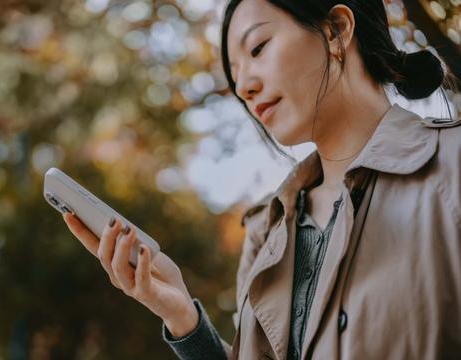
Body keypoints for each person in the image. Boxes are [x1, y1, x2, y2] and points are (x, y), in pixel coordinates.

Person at [62, 0, 461, 358]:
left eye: (257, 49)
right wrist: (182, 315)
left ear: (336, 30)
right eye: (234, 77)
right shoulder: (266, 231)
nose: (245, 87)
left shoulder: (452, 164)